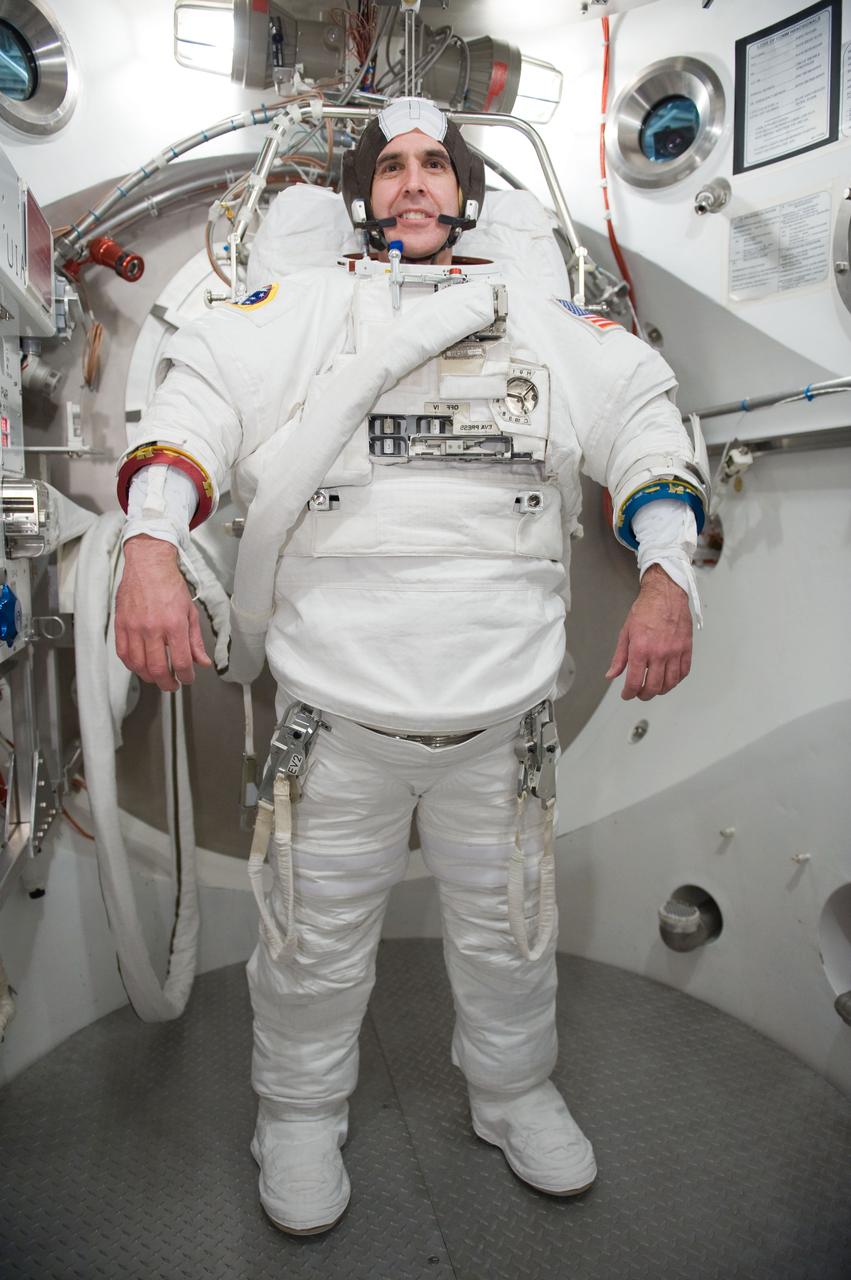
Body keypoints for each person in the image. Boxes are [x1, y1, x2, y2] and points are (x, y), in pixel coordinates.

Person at [114, 97, 707, 1236]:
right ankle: (293, 1113)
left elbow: (642, 419)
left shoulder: (543, 321)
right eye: (391, 167)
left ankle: (512, 1091)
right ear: (360, 197)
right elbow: (194, 408)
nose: (414, 182)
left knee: (509, 939)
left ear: (465, 193)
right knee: (313, 948)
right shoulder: (293, 313)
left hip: (503, 729)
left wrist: (668, 571)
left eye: (435, 164)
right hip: (338, 728)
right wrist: (149, 539)